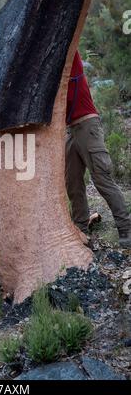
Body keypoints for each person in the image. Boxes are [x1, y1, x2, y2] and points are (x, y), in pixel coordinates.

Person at [65, 50, 131, 248]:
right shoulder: (50, 76)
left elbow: (70, 44)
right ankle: (81, 231)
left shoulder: (71, 59)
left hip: (88, 125)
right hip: (70, 131)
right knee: (73, 184)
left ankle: (125, 227)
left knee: (102, 179)